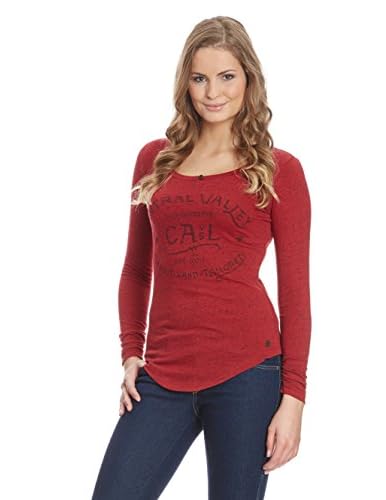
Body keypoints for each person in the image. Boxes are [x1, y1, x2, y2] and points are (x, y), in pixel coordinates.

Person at [92, 15, 312, 500]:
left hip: (249, 373)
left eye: (226, 76)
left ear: (248, 79)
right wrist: (131, 352)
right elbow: (136, 270)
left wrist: (294, 396)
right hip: (162, 374)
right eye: (199, 78)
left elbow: (295, 290)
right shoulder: (155, 160)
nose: (213, 92)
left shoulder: (279, 170)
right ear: (185, 83)